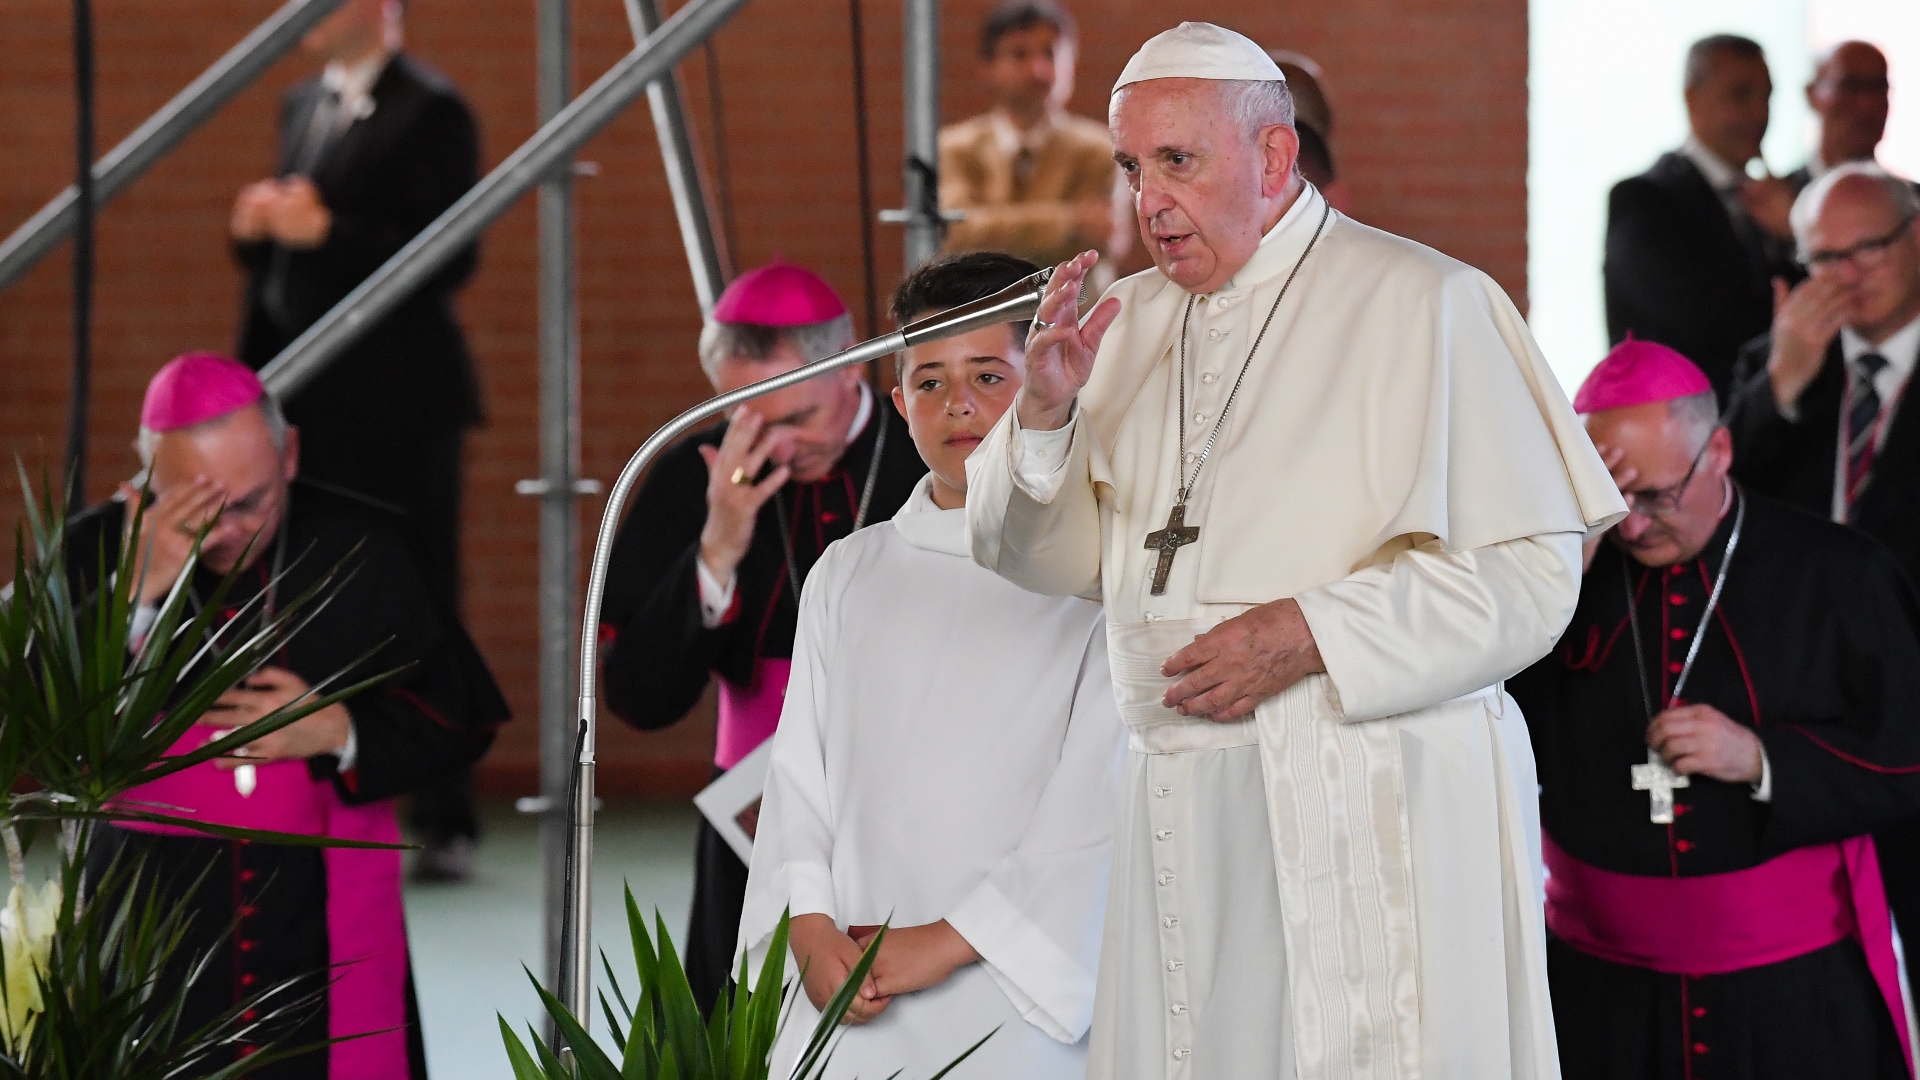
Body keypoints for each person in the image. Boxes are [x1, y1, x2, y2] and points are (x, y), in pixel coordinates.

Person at [967, 22, 1624, 1078]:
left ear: (1273, 158)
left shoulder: (1428, 302)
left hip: (1369, 796)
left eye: (1179, 162)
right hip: (1179, 795)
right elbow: (1040, 560)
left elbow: (1533, 578)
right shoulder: (1120, 325)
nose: (1150, 200)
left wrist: (1313, 631)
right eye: (1133, 168)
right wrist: (1041, 417)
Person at [737, 252, 1125, 1078]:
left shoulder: (1095, 574)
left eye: (990, 375)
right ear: (897, 401)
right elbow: (800, 773)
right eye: (929, 382)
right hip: (846, 967)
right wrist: (806, 919)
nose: (959, 405)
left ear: (1051, 378)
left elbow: (1098, 802)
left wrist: (951, 942)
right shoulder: (850, 570)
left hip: (1007, 984)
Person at [70, 353, 508, 1080]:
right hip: (147, 909)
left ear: (290, 453)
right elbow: (21, 713)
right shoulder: (98, 549)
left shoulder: (363, 548)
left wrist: (340, 733)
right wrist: (135, 591)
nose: (229, 528)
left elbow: (461, 718)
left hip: (315, 922)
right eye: (199, 506)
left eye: (250, 502)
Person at [1507, 339, 1919, 1079]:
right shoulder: (1552, 585)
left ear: (1720, 449)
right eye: (1610, 499)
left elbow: (1908, 756)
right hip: (1597, 998)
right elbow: (1492, 726)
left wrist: (1765, 760)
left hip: (1791, 1001)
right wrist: (1554, 575)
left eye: (1658, 496)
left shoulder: (1839, 575)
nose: (1633, 527)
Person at [598, 262, 926, 1013]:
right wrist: (716, 549)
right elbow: (641, 698)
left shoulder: (924, 453)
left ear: (850, 369)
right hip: (753, 809)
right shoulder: (700, 474)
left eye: (797, 418)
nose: (774, 447)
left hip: (909, 795)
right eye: (748, 418)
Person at [228, 0, 486, 880]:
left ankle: (442, 805)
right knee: (306, 584)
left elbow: (449, 255)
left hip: (396, 404)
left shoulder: (432, 110)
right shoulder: (302, 101)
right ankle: (314, 766)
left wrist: (328, 231)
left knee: (416, 587)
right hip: (305, 397)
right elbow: (286, 264)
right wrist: (257, 226)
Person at [1727, 164, 1920, 954]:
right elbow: (1718, 493)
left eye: (1866, 251)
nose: (1843, 278)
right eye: (1820, 260)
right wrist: (1782, 386)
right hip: (1814, 700)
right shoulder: (1782, 357)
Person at [1605, 34, 1801, 396]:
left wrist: (1794, 237)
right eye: (1740, 94)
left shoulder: (1781, 200)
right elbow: (1706, 327)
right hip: (1682, 430)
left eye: (1767, 96)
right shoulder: (1645, 201)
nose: (1760, 113)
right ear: (1693, 98)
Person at [939, 1, 1125, 271]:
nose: (1037, 70)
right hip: (979, 310)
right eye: (1019, 54)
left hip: (1078, 310)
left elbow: (1105, 240)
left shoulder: (1101, 150)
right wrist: (1070, 222)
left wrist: (987, 227)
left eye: (1049, 53)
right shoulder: (952, 149)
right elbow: (954, 236)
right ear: (987, 67)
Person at [1787, 42, 1895, 193]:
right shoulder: (1764, 204)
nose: (1867, 104)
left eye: (1878, 88)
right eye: (1850, 87)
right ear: (1811, 95)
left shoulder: (1912, 205)